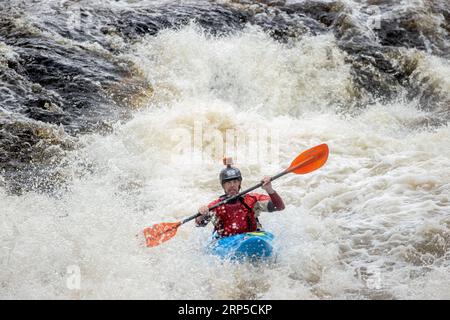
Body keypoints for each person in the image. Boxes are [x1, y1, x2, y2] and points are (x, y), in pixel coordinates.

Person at [195, 157, 285, 238]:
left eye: (235, 181)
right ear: (223, 185)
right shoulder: (215, 206)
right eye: (228, 183)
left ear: (239, 183)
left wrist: (269, 189)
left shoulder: (252, 199)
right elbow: (199, 224)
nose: (232, 185)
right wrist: (202, 214)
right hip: (226, 242)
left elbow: (279, 207)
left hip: (251, 236)